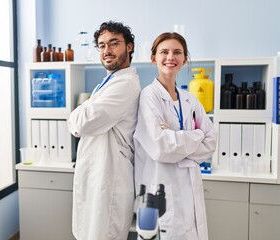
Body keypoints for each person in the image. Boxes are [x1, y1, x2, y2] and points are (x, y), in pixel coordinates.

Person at [133, 32, 217, 240]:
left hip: (188, 188)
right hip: (156, 188)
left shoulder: (190, 99)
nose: (171, 57)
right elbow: (161, 146)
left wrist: (176, 136)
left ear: (184, 59)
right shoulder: (148, 96)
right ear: (154, 58)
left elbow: (211, 142)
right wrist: (196, 135)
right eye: (164, 52)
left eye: (177, 52)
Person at [67, 21, 141, 240]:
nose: (106, 51)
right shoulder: (109, 82)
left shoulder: (125, 84)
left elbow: (81, 123)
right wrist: (81, 114)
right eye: (101, 45)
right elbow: (82, 120)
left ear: (129, 47)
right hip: (96, 174)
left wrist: (79, 113)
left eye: (114, 43)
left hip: (109, 178)